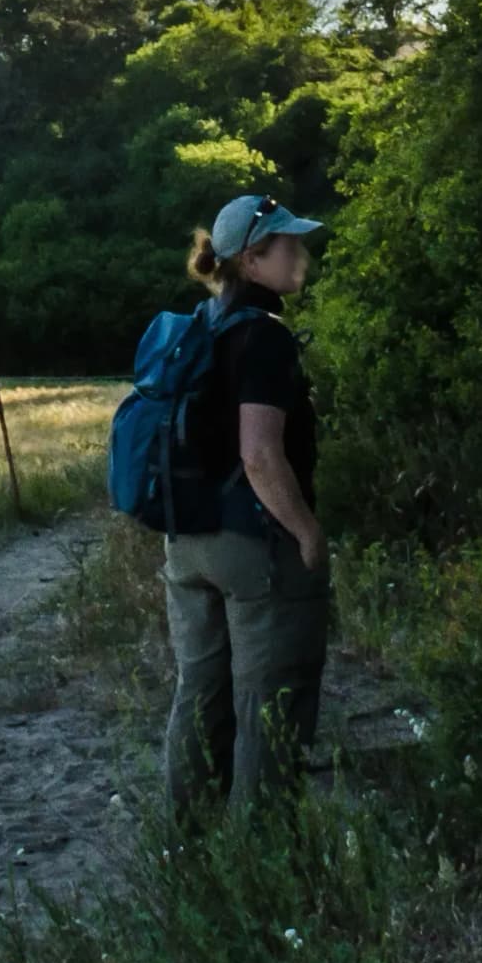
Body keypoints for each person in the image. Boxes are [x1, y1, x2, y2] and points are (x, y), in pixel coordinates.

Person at [162, 192, 330, 815]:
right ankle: (262, 857)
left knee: (200, 694)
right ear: (253, 260)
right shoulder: (263, 337)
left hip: (187, 544)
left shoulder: (203, 325)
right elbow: (260, 455)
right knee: (272, 702)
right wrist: (307, 533)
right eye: (291, 245)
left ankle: (188, 844)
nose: (302, 256)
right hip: (252, 547)